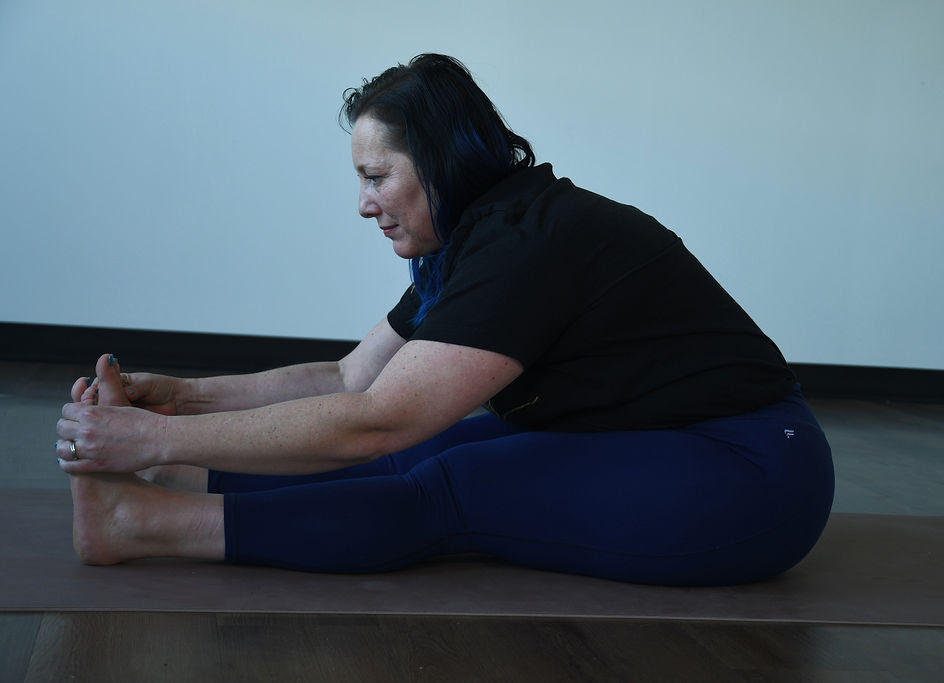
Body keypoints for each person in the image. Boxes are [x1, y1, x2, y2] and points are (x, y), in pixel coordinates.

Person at [55, 54, 834, 586]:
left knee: (445, 487)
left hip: (753, 471)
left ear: (439, 162)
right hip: (657, 434)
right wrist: (177, 401)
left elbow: (375, 420)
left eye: (375, 176)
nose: (363, 202)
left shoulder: (525, 245)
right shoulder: (476, 233)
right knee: (437, 445)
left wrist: (145, 436)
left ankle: (138, 519)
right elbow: (346, 376)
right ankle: (179, 478)